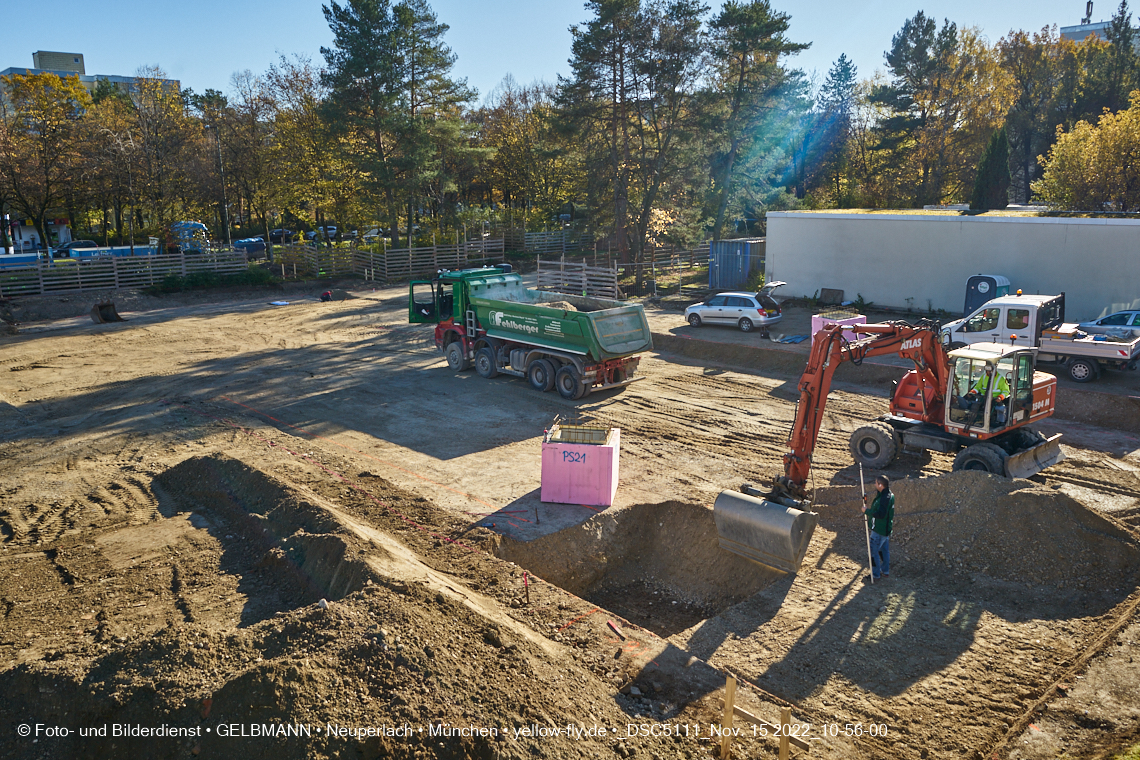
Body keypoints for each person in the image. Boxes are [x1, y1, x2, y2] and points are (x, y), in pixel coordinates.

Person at [862, 475, 894, 580]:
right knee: (884, 551)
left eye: (876, 483)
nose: (875, 484)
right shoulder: (886, 494)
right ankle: (885, 571)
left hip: (879, 530)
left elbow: (880, 514)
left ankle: (875, 574)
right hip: (884, 530)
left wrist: (867, 511)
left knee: (873, 552)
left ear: (880, 485)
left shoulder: (885, 498)